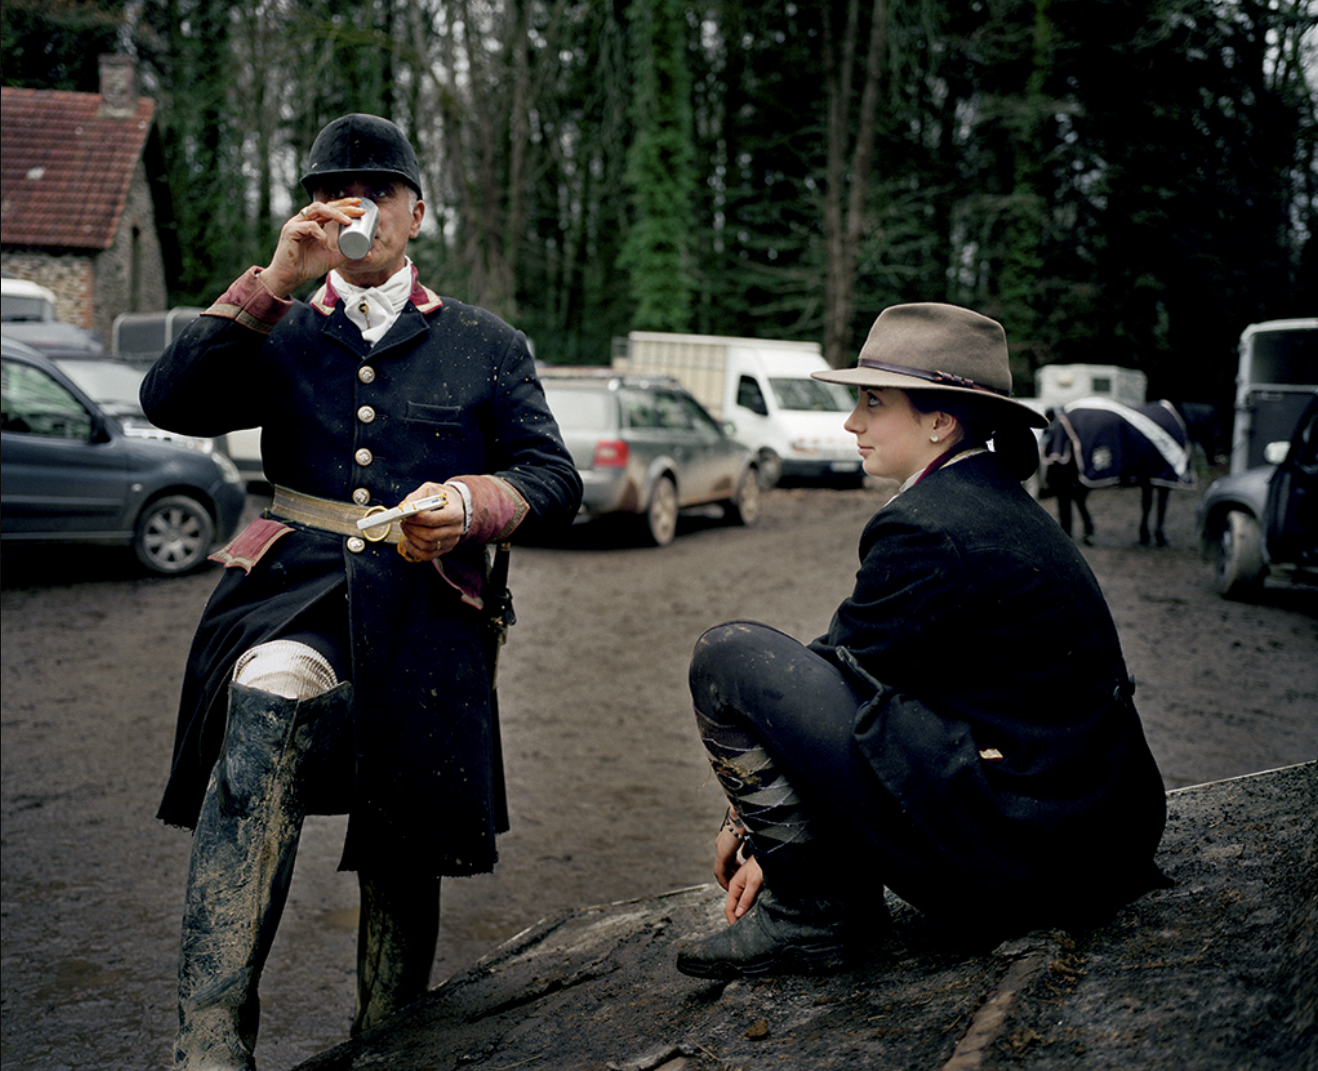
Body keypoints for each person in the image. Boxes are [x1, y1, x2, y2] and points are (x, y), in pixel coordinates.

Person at [140, 113, 582, 1068]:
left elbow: (555, 480)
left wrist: (469, 504)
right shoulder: (285, 328)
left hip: (427, 607)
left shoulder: (486, 342)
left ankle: (388, 1033)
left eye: (378, 188)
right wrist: (271, 282)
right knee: (262, 705)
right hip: (290, 593)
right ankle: (210, 1036)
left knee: (406, 811)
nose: (357, 205)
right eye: (335, 188)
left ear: (416, 210)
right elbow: (169, 404)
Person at [676, 302, 1167, 979]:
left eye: (873, 403)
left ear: (940, 420)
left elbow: (832, 675)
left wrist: (751, 823)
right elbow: (867, 673)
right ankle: (822, 898)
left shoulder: (929, 527)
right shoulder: (987, 499)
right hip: (1086, 841)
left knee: (730, 658)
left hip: (1027, 859)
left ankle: (813, 915)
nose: (853, 423)